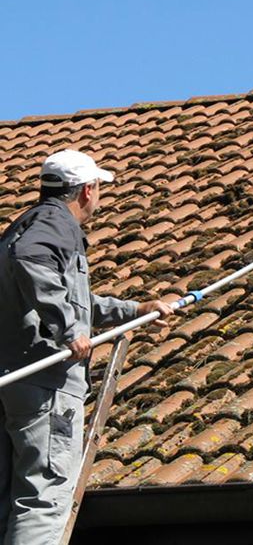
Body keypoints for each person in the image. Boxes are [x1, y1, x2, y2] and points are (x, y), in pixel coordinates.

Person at [0, 149, 173, 544]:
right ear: (87, 191)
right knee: (45, 495)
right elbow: (36, 266)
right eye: (99, 190)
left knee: (8, 499)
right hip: (44, 382)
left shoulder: (21, 226)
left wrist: (134, 309)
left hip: (10, 378)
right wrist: (67, 328)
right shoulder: (55, 226)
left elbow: (70, 298)